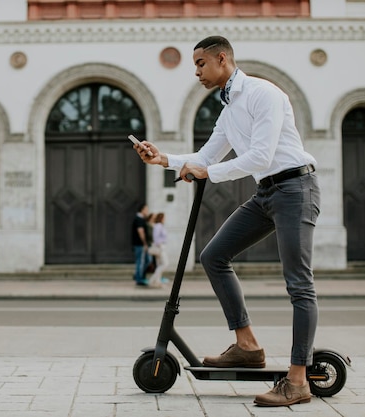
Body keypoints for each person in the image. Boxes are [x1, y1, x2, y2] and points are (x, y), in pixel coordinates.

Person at [133, 35, 320, 407]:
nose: (197, 72)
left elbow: (261, 157)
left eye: (201, 64)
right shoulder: (229, 107)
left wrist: (207, 174)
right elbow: (205, 155)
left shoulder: (262, 94)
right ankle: (247, 345)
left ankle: (298, 381)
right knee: (213, 256)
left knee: (299, 284)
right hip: (267, 192)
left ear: (222, 59)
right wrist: (162, 158)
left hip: (295, 187)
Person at [148, 212, 169, 288]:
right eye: (164, 218)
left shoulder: (159, 226)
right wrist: (160, 245)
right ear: (161, 218)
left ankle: (157, 282)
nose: (165, 219)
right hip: (160, 247)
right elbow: (156, 238)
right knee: (165, 264)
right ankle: (152, 280)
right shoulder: (158, 226)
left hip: (161, 247)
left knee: (159, 265)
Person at [132, 203, 150, 286]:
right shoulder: (139, 219)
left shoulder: (141, 218)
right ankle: (139, 279)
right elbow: (141, 232)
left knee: (146, 260)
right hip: (139, 244)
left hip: (139, 244)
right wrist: (145, 243)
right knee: (140, 261)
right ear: (142, 209)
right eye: (146, 209)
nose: (147, 211)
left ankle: (138, 275)